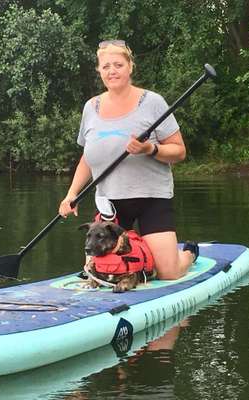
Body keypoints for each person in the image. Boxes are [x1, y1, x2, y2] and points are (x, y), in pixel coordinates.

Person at [58, 40, 198, 280]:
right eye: (106, 66)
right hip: (110, 205)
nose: (112, 71)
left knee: (168, 273)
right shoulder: (91, 107)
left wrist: (149, 149)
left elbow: (179, 151)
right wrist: (71, 194)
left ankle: (189, 254)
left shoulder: (153, 102)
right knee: (96, 272)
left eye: (118, 64)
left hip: (152, 198)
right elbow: (88, 157)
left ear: (130, 67)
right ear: (99, 70)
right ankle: (134, 262)